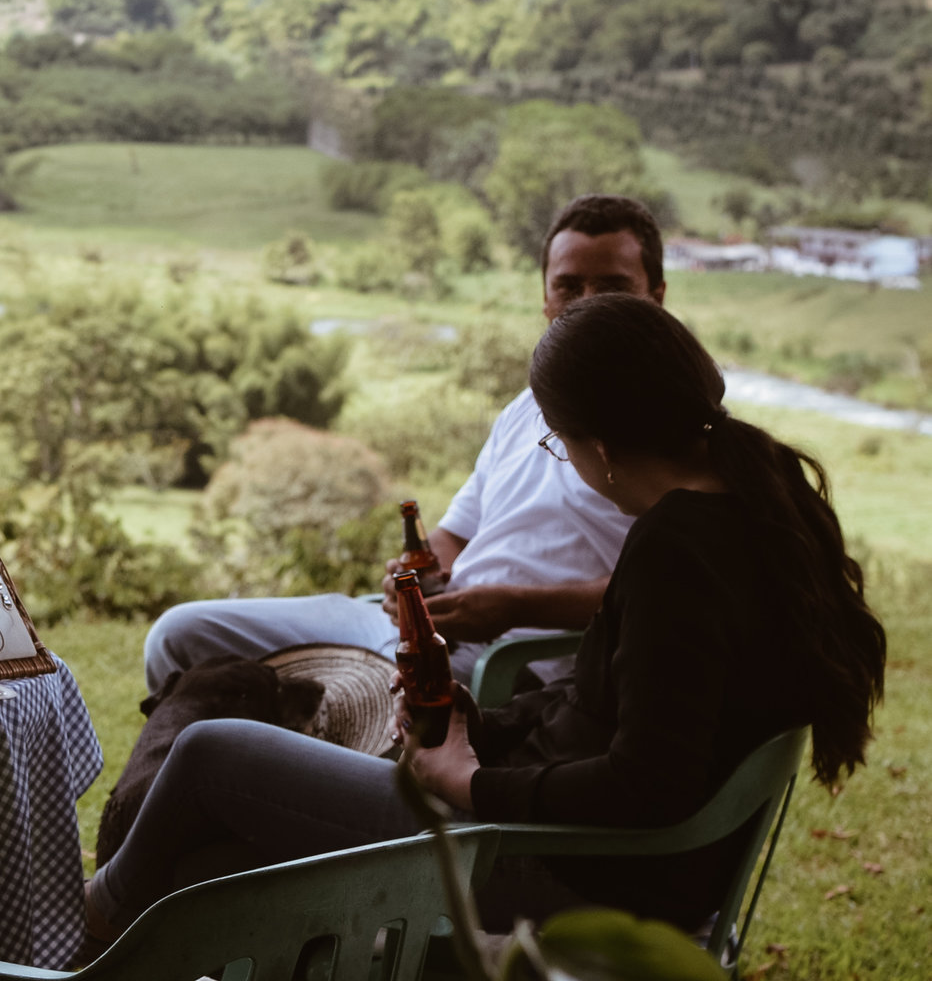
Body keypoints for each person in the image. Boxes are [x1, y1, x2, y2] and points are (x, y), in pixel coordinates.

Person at [84, 293, 886, 945]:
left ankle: (82, 936)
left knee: (213, 754)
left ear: (598, 447)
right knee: (205, 867)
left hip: (559, 868)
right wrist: (480, 725)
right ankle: (121, 930)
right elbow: (612, 713)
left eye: (559, 444)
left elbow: (650, 782)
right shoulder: (752, 510)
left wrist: (470, 781)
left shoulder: (676, 551)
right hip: (579, 847)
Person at [142, 194, 663, 693]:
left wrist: (513, 608)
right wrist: (414, 572)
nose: (587, 305)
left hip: (504, 661)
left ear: (656, 296)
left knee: (272, 730)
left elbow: (665, 591)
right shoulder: (525, 408)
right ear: (545, 298)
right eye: (568, 286)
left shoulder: (680, 434)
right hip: (423, 625)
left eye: (612, 286)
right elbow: (454, 537)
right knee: (180, 636)